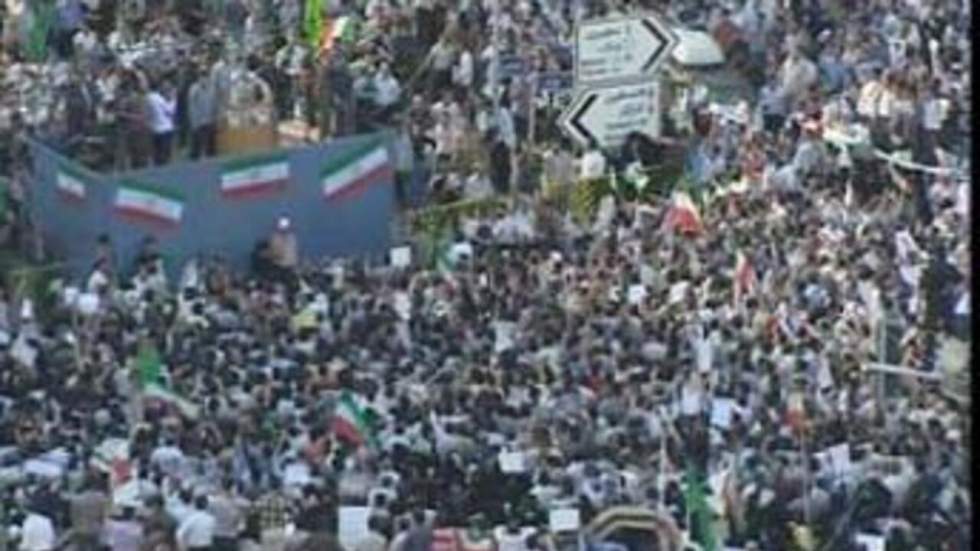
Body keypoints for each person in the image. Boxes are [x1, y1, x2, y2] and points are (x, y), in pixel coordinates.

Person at [188, 70, 218, 159]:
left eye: (206, 78)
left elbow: (214, 104)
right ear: (199, 79)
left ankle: (210, 157)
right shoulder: (194, 89)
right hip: (198, 121)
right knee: (197, 144)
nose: (204, 80)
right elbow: (192, 107)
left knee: (210, 144)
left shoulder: (212, 89)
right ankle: (195, 159)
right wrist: (194, 122)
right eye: (202, 78)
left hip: (209, 120)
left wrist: (215, 117)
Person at [147, 79, 177, 165]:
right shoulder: (157, 99)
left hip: (155, 129)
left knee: (157, 156)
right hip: (164, 129)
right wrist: (173, 99)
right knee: (165, 156)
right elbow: (170, 111)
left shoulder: (149, 98)